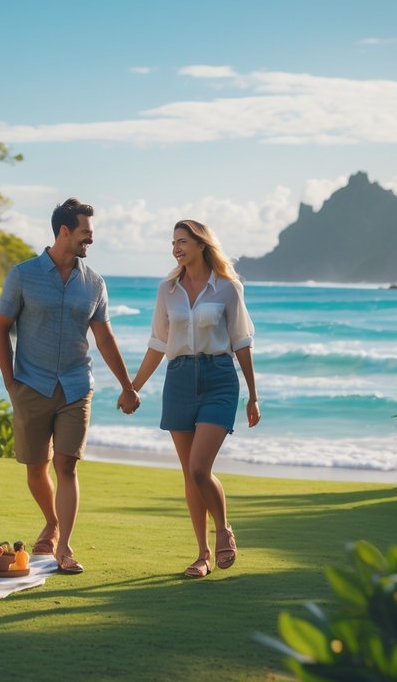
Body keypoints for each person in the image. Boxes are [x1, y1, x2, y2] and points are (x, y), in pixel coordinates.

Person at [0, 197, 140, 575]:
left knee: (67, 465)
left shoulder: (94, 283)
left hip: (77, 385)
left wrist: (127, 384)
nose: (90, 240)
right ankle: (52, 520)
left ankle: (64, 547)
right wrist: (10, 383)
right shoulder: (23, 274)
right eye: (85, 233)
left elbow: (104, 338)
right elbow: (1, 327)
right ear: (64, 231)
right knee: (35, 466)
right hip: (31, 384)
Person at [124, 219, 260, 578]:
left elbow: (242, 342)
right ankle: (202, 555)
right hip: (179, 379)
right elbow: (157, 343)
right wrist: (133, 386)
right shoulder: (167, 290)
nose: (176, 248)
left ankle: (224, 530)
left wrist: (253, 396)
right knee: (189, 474)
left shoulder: (228, 288)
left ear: (201, 244)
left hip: (219, 379)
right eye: (173, 243)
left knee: (200, 469)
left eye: (183, 241)